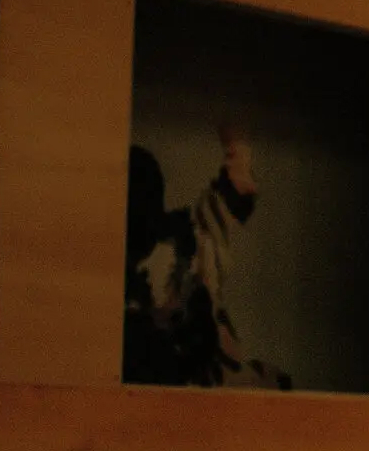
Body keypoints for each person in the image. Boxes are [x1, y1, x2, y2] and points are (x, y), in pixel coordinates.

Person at [123, 122, 292, 390]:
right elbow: (232, 195)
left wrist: (236, 148)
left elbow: (233, 194)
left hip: (204, 380)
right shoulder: (185, 236)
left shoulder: (186, 236)